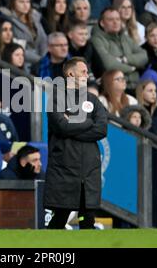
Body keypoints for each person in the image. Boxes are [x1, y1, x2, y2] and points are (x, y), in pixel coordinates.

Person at [45, 56, 108, 229]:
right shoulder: (56, 98)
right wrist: (88, 122)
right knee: (60, 217)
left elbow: (101, 130)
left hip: (89, 170)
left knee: (87, 218)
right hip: (65, 167)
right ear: (71, 74)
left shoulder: (94, 100)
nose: (87, 75)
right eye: (83, 72)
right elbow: (62, 126)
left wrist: (74, 123)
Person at [91, 7, 148, 91]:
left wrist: (125, 59)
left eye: (118, 19)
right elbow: (109, 64)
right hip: (114, 89)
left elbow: (144, 56)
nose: (115, 22)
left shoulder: (124, 37)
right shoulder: (97, 39)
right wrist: (132, 68)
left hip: (135, 85)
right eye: (111, 20)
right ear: (102, 23)